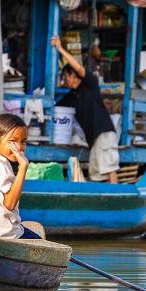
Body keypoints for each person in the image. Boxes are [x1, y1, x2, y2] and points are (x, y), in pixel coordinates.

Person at [51, 35, 120, 183]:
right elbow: (55, 109)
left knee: (109, 168)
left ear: (73, 76)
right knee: (96, 175)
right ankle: (102, 201)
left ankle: (115, 198)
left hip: (104, 133)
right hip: (93, 139)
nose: (65, 80)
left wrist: (60, 49)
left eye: (66, 76)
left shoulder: (89, 84)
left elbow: (78, 67)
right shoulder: (72, 96)